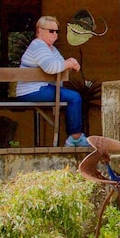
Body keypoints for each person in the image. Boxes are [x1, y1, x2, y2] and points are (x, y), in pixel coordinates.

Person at [15, 16, 87, 147]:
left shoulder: (51, 48)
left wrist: (69, 63)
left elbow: (60, 65)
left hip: (41, 88)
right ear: (40, 31)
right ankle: (75, 138)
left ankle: (75, 137)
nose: (55, 34)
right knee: (74, 97)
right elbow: (51, 67)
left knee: (73, 97)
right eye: (51, 31)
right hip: (31, 91)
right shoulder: (38, 45)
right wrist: (70, 63)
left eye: (57, 31)